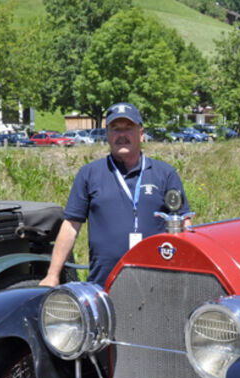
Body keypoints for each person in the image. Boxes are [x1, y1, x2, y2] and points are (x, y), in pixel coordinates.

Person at [40, 102, 190, 288]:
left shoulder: (165, 174)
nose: (122, 135)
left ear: (141, 134)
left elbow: (184, 224)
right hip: (104, 284)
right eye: (115, 129)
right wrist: (52, 275)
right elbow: (71, 225)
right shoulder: (89, 174)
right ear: (107, 135)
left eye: (128, 128)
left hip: (158, 282)